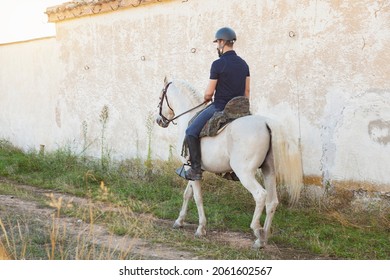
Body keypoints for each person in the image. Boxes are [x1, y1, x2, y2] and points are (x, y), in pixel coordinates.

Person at [181, 27, 250, 181]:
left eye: (218, 42)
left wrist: (206, 97)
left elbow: (208, 93)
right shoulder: (244, 65)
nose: (217, 46)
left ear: (222, 42)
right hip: (240, 110)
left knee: (191, 131)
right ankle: (233, 170)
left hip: (220, 106)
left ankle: (196, 169)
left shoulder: (218, 64)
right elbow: (247, 91)